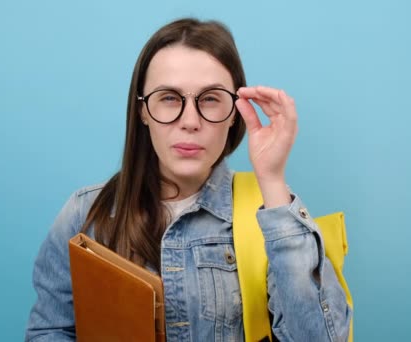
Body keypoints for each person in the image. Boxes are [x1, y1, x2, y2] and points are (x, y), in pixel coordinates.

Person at [25, 18, 352, 341]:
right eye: (169, 98)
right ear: (142, 110)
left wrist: (272, 178)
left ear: (235, 112)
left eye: (210, 98)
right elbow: (50, 331)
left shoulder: (271, 211)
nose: (190, 121)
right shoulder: (85, 213)